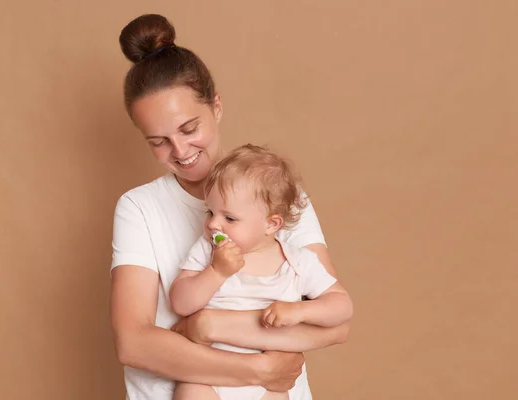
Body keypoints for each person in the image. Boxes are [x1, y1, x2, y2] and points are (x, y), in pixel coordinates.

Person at [111, 13, 352, 400]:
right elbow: (133, 343)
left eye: (189, 129)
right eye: (158, 141)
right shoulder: (139, 208)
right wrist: (257, 368)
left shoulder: (282, 197)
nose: (180, 151)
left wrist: (208, 326)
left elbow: (336, 324)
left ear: (217, 107)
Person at [169, 144, 353, 400]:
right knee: (190, 393)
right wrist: (216, 272)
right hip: (208, 375)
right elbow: (180, 302)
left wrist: (300, 311)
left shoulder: (298, 261)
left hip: (268, 384)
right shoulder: (208, 251)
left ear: (271, 224)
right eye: (210, 212)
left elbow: (342, 306)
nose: (213, 224)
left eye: (229, 219)